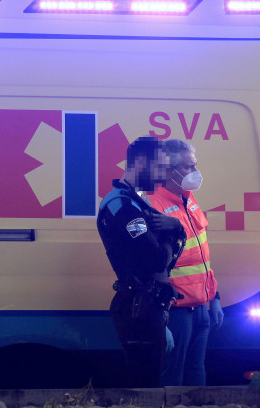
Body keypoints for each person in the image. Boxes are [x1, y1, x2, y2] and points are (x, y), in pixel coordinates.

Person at [96, 136, 186, 387]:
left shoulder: (136, 200)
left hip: (147, 305)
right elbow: (157, 260)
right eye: (158, 167)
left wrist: (176, 227)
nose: (161, 176)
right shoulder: (123, 206)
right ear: (141, 162)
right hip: (138, 310)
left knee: (150, 383)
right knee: (144, 389)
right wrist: (174, 232)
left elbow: (169, 250)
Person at [146, 139, 223, 386]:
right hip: (176, 309)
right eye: (190, 167)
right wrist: (160, 317)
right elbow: (151, 267)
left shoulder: (188, 200)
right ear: (170, 171)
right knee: (173, 377)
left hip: (201, 304)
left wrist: (216, 297)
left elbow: (201, 256)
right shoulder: (152, 205)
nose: (196, 172)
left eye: (195, 165)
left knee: (196, 373)